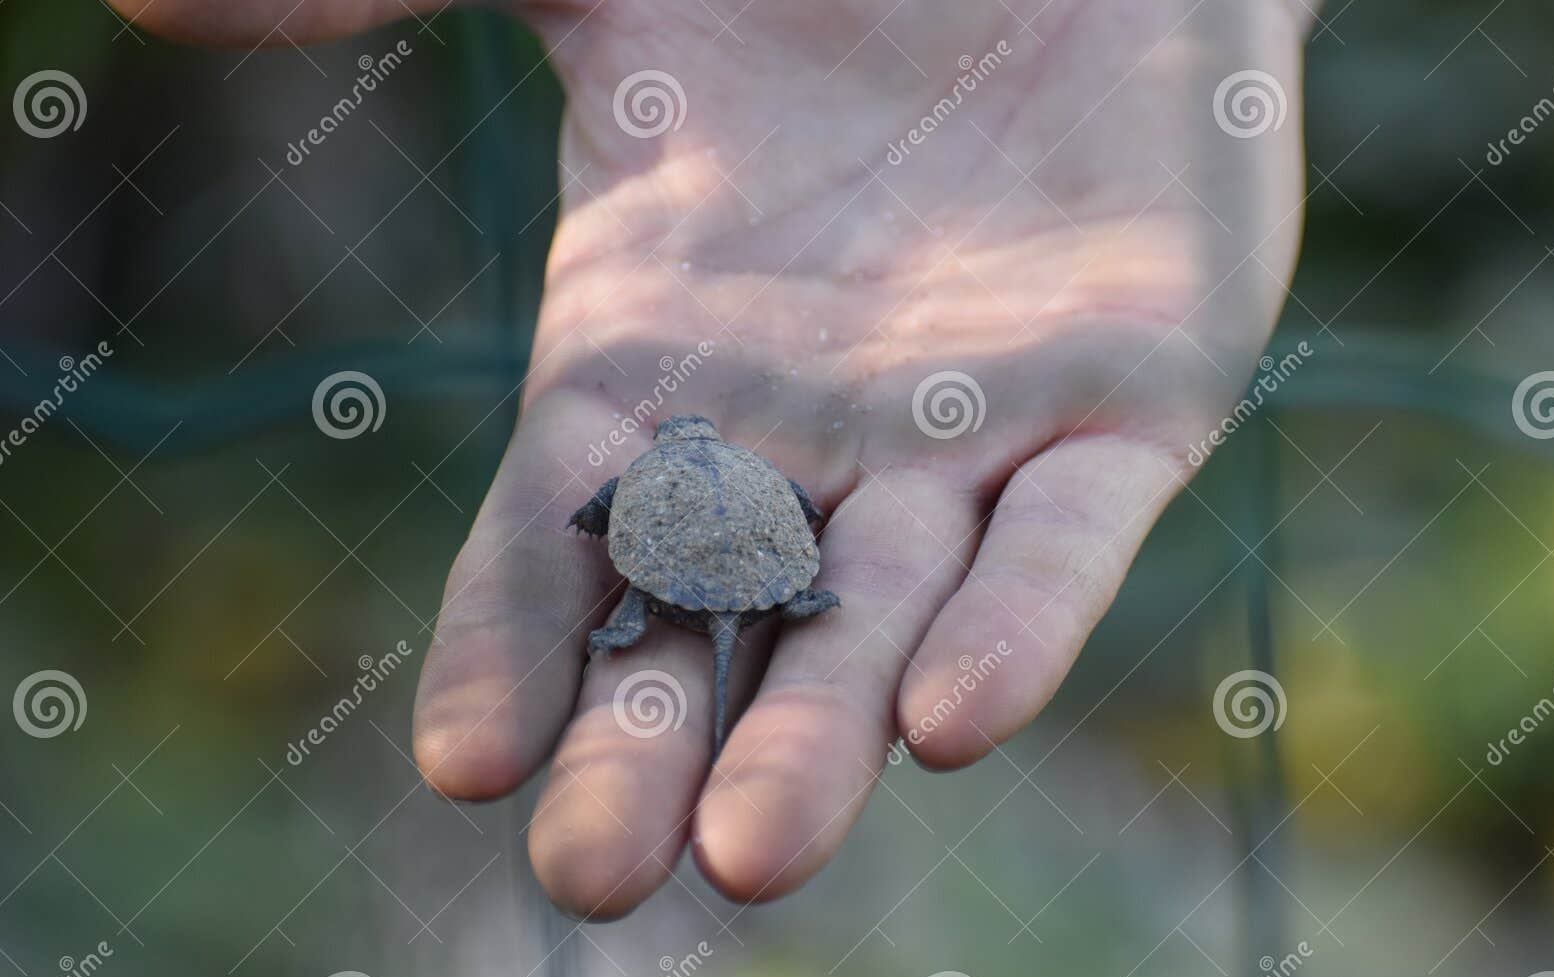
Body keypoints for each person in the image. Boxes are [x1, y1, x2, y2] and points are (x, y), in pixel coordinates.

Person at [112, 0, 1315, 918]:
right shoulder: (753, 483)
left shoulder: (641, 484)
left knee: (653, 604)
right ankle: (784, 595)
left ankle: (694, 612)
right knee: (737, 633)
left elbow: (601, 511)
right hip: (772, 546)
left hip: (707, 543)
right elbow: (760, 491)